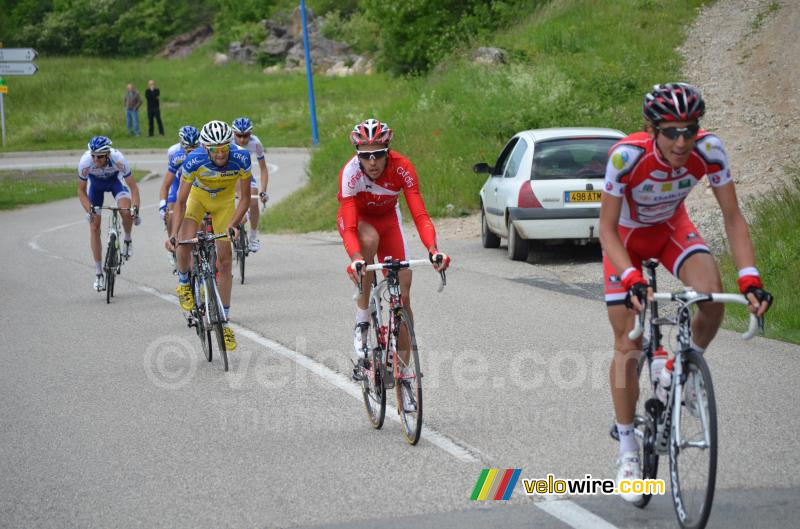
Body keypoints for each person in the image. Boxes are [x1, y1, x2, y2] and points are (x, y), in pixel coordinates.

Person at [599, 83, 773, 502]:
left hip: (670, 231)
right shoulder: (626, 157)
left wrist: (750, 278)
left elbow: (733, 218)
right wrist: (630, 278)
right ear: (651, 129)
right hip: (625, 240)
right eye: (671, 131)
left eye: (689, 130)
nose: (681, 141)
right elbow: (605, 229)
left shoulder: (709, 151)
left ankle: (681, 370)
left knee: (711, 298)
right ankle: (627, 450)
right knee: (627, 341)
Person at [337, 118, 450, 411]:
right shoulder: (350, 174)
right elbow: (349, 227)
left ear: (388, 150)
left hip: (389, 221)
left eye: (378, 154)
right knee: (368, 242)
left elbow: (420, 214)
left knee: (404, 292)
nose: (372, 161)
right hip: (359, 224)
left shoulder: (402, 167)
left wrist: (434, 250)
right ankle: (363, 320)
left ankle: (403, 378)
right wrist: (356, 259)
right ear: (358, 154)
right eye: (365, 155)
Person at [165, 120, 252, 351]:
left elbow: (244, 199)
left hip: (224, 204)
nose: (221, 154)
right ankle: (184, 282)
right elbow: (181, 201)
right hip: (197, 199)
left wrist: (233, 224)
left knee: (224, 262)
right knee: (184, 242)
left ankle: (224, 323)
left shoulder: (241, 157)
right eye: (215, 149)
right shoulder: (194, 160)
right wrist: (173, 234)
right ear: (206, 148)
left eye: (224, 148)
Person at [77, 136, 141, 290]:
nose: (95, 159)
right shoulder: (85, 162)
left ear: (107, 155)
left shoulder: (119, 159)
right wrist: (89, 210)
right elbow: (81, 191)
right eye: (93, 156)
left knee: (126, 213)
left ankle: (127, 239)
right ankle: (99, 273)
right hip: (96, 187)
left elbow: (133, 188)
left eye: (99, 156)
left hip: (115, 183)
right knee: (94, 227)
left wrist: (135, 210)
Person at [231, 117, 269, 252]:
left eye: (245, 136)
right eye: (238, 136)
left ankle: (253, 236)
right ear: (233, 133)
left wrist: (263, 191)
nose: (242, 139)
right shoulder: (227, 141)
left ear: (250, 134)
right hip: (228, 175)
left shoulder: (255, 143)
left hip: (245, 174)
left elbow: (263, 169)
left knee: (253, 202)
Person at [159, 126, 200, 240]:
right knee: (171, 211)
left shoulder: (205, 151)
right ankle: (172, 241)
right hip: (180, 178)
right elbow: (166, 184)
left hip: (198, 180)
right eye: (188, 149)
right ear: (181, 145)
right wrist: (162, 204)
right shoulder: (174, 152)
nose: (191, 152)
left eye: (195, 148)